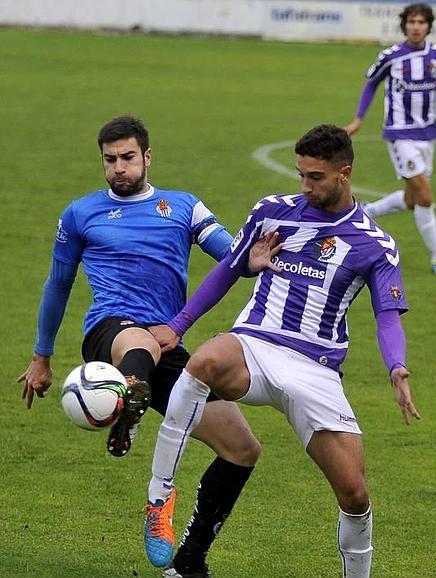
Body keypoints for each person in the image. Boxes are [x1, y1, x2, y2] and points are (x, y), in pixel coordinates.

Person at [145, 124, 421, 577]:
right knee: (204, 361)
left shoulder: (375, 244)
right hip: (255, 345)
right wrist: (178, 326)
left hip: (315, 371)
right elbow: (228, 270)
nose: (305, 186)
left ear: (344, 173)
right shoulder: (272, 212)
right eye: (301, 175)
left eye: (315, 177)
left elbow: (387, 317)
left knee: (354, 495)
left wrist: (397, 368)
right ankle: (160, 497)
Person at [17, 115, 268, 578]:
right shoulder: (80, 213)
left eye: (127, 158)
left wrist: (251, 260)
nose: (118, 168)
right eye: (109, 160)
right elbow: (58, 285)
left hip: (166, 342)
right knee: (140, 342)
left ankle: (189, 561)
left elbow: (229, 254)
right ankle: (128, 406)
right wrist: (41, 356)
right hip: (110, 333)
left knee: (242, 448)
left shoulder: (183, 206)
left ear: (147, 157)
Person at [345, 2, 436, 277]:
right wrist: (358, 119)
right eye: (411, 22)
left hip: (428, 134)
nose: (416, 27)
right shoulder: (391, 56)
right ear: (404, 25)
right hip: (399, 134)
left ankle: (366, 211)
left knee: (413, 200)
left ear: (428, 26)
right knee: (424, 195)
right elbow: (371, 84)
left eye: (421, 22)